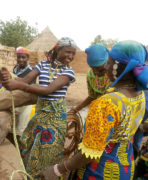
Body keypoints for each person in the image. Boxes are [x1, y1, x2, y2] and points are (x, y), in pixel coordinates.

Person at [40, 40, 148, 180]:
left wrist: (58, 170)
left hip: (98, 171)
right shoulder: (139, 95)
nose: (106, 67)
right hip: (124, 166)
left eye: (108, 62)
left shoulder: (106, 103)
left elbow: (89, 153)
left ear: (117, 66)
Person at [0, 37, 77, 179]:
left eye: (73, 53)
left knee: (48, 152)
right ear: (58, 50)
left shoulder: (69, 72)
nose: (70, 56)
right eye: (67, 52)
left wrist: (20, 85)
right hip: (41, 114)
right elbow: (23, 81)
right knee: (28, 146)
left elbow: (48, 90)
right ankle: (31, 175)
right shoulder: (43, 65)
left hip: (55, 117)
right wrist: (6, 78)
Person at [70, 43, 110, 113]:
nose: (96, 72)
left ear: (108, 62)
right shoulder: (90, 75)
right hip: (98, 111)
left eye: (101, 70)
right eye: (93, 68)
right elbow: (92, 96)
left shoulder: (114, 74)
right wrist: (77, 109)